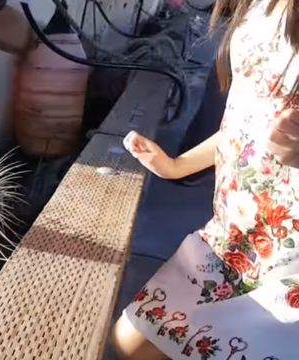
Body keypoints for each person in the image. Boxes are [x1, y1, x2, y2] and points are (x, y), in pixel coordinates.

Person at [111, 0, 299, 359]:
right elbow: (246, 118)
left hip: (287, 264)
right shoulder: (259, 6)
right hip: (231, 238)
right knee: (130, 341)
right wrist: (177, 165)